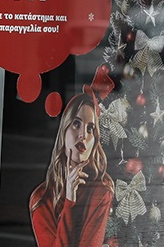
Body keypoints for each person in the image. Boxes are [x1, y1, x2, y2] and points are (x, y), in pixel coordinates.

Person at [29, 93, 114, 247]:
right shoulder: (41, 199)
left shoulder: (101, 190)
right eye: (76, 124)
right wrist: (70, 200)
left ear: (95, 142)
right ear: (64, 131)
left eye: (90, 129)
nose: (82, 135)